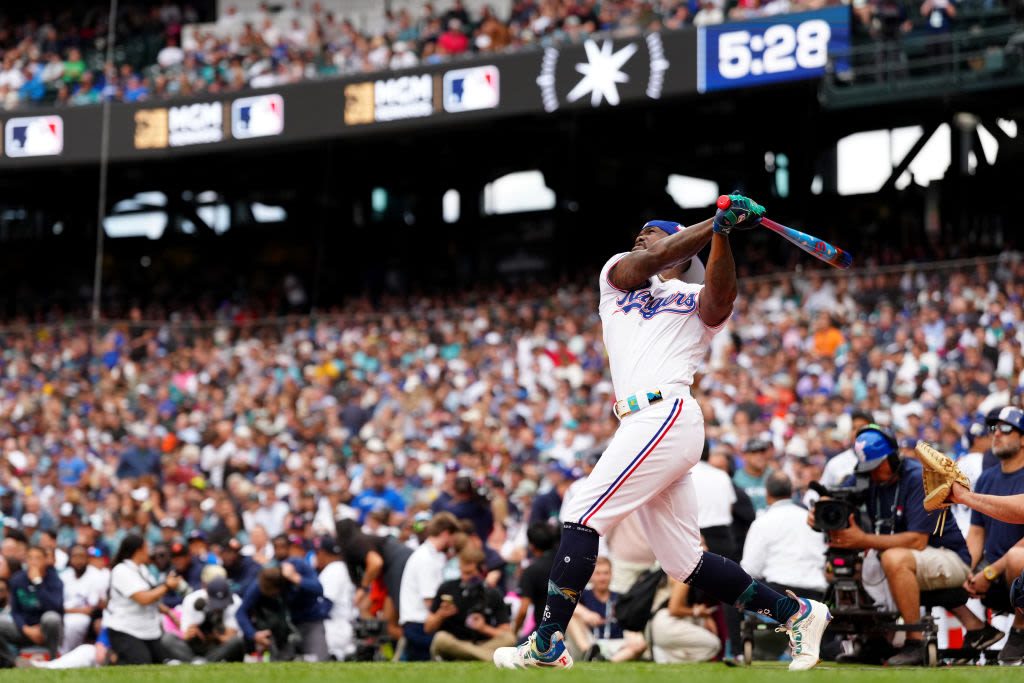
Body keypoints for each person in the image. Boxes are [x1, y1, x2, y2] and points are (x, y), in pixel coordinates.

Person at [494, 196, 832, 672]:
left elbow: (721, 299)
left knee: (583, 514)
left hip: (667, 412)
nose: (640, 237)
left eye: (652, 231)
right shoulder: (617, 280)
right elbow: (650, 260)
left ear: (682, 248)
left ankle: (547, 640)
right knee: (684, 564)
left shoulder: (695, 295)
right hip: (639, 422)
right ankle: (796, 613)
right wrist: (715, 221)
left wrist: (721, 233)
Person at [817, 425, 1002, 665]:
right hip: (906, 556)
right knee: (854, 563)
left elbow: (917, 541)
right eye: (867, 468)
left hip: (949, 557)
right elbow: (837, 497)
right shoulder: (868, 476)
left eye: (877, 466)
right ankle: (876, 641)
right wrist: (822, 509)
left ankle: (915, 643)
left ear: (893, 457)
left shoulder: (918, 478)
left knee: (893, 557)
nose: (872, 473)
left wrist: (862, 539)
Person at [949, 406, 1024, 664]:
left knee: (1017, 558)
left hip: (1014, 568)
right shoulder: (986, 478)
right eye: (993, 428)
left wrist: (989, 572)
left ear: (1023, 438)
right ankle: (977, 632)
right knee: (950, 568)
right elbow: (977, 534)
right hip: (990, 567)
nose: (996, 434)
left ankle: (1019, 630)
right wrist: (967, 570)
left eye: (1006, 428)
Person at [742, 473, 827, 601]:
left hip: (778, 596)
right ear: (792, 492)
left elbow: (750, 568)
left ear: (768, 494)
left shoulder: (762, 522)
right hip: (814, 595)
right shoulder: (811, 519)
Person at [103, 533, 182, 665]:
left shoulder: (143, 569)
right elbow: (143, 599)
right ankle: (113, 660)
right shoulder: (121, 570)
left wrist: (168, 612)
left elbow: (151, 596)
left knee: (161, 664)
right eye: (146, 548)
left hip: (147, 629)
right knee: (141, 664)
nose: (149, 552)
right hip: (125, 629)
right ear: (138, 551)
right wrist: (167, 586)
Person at [425, 546, 514, 661]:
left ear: (482, 570)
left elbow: (506, 631)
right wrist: (441, 615)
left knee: (509, 638)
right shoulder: (446, 588)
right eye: (462, 572)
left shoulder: (493, 593)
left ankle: (465, 656)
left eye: (469, 573)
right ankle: (488, 657)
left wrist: (484, 628)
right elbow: (428, 628)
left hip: (482, 644)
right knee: (440, 639)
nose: (464, 578)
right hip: (454, 644)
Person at [237, 560, 331, 661]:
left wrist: (295, 577)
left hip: (310, 621)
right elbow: (241, 612)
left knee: (320, 660)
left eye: (271, 594)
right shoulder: (262, 582)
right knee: (280, 663)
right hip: (282, 629)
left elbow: (319, 590)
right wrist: (254, 634)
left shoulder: (297, 566)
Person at [397, 511, 458, 660]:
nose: (453, 542)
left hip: (420, 625)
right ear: (446, 534)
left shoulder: (432, 555)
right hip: (420, 627)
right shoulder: (426, 558)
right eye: (453, 537)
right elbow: (431, 602)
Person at [165, 566, 246, 662]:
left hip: (219, 648)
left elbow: (232, 637)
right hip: (198, 647)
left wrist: (213, 635)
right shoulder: (193, 600)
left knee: (237, 642)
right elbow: (185, 634)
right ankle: (196, 661)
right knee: (168, 639)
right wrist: (192, 633)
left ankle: (201, 662)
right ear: (205, 588)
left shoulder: (235, 601)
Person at [0, 546, 64, 658]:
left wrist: (38, 582)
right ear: (26, 560)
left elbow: (54, 609)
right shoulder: (17, 579)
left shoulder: (55, 579)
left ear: (45, 559)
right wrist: (26, 629)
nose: (34, 562)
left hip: (47, 631)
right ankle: (10, 662)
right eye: (30, 558)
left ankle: (53, 659)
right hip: (24, 629)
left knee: (51, 618)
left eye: (38, 558)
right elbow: (15, 611)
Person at [313, 534, 356, 661]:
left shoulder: (334, 569)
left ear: (323, 553)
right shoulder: (342, 568)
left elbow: (325, 606)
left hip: (334, 629)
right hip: (343, 627)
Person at [60, 544, 107, 653]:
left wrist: (68, 610)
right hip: (66, 614)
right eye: (75, 557)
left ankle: (66, 655)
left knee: (74, 623)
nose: (78, 560)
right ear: (70, 559)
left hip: (87, 617)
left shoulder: (97, 576)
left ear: (88, 559)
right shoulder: (64, 576)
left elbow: (92, 609)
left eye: (81, 556)